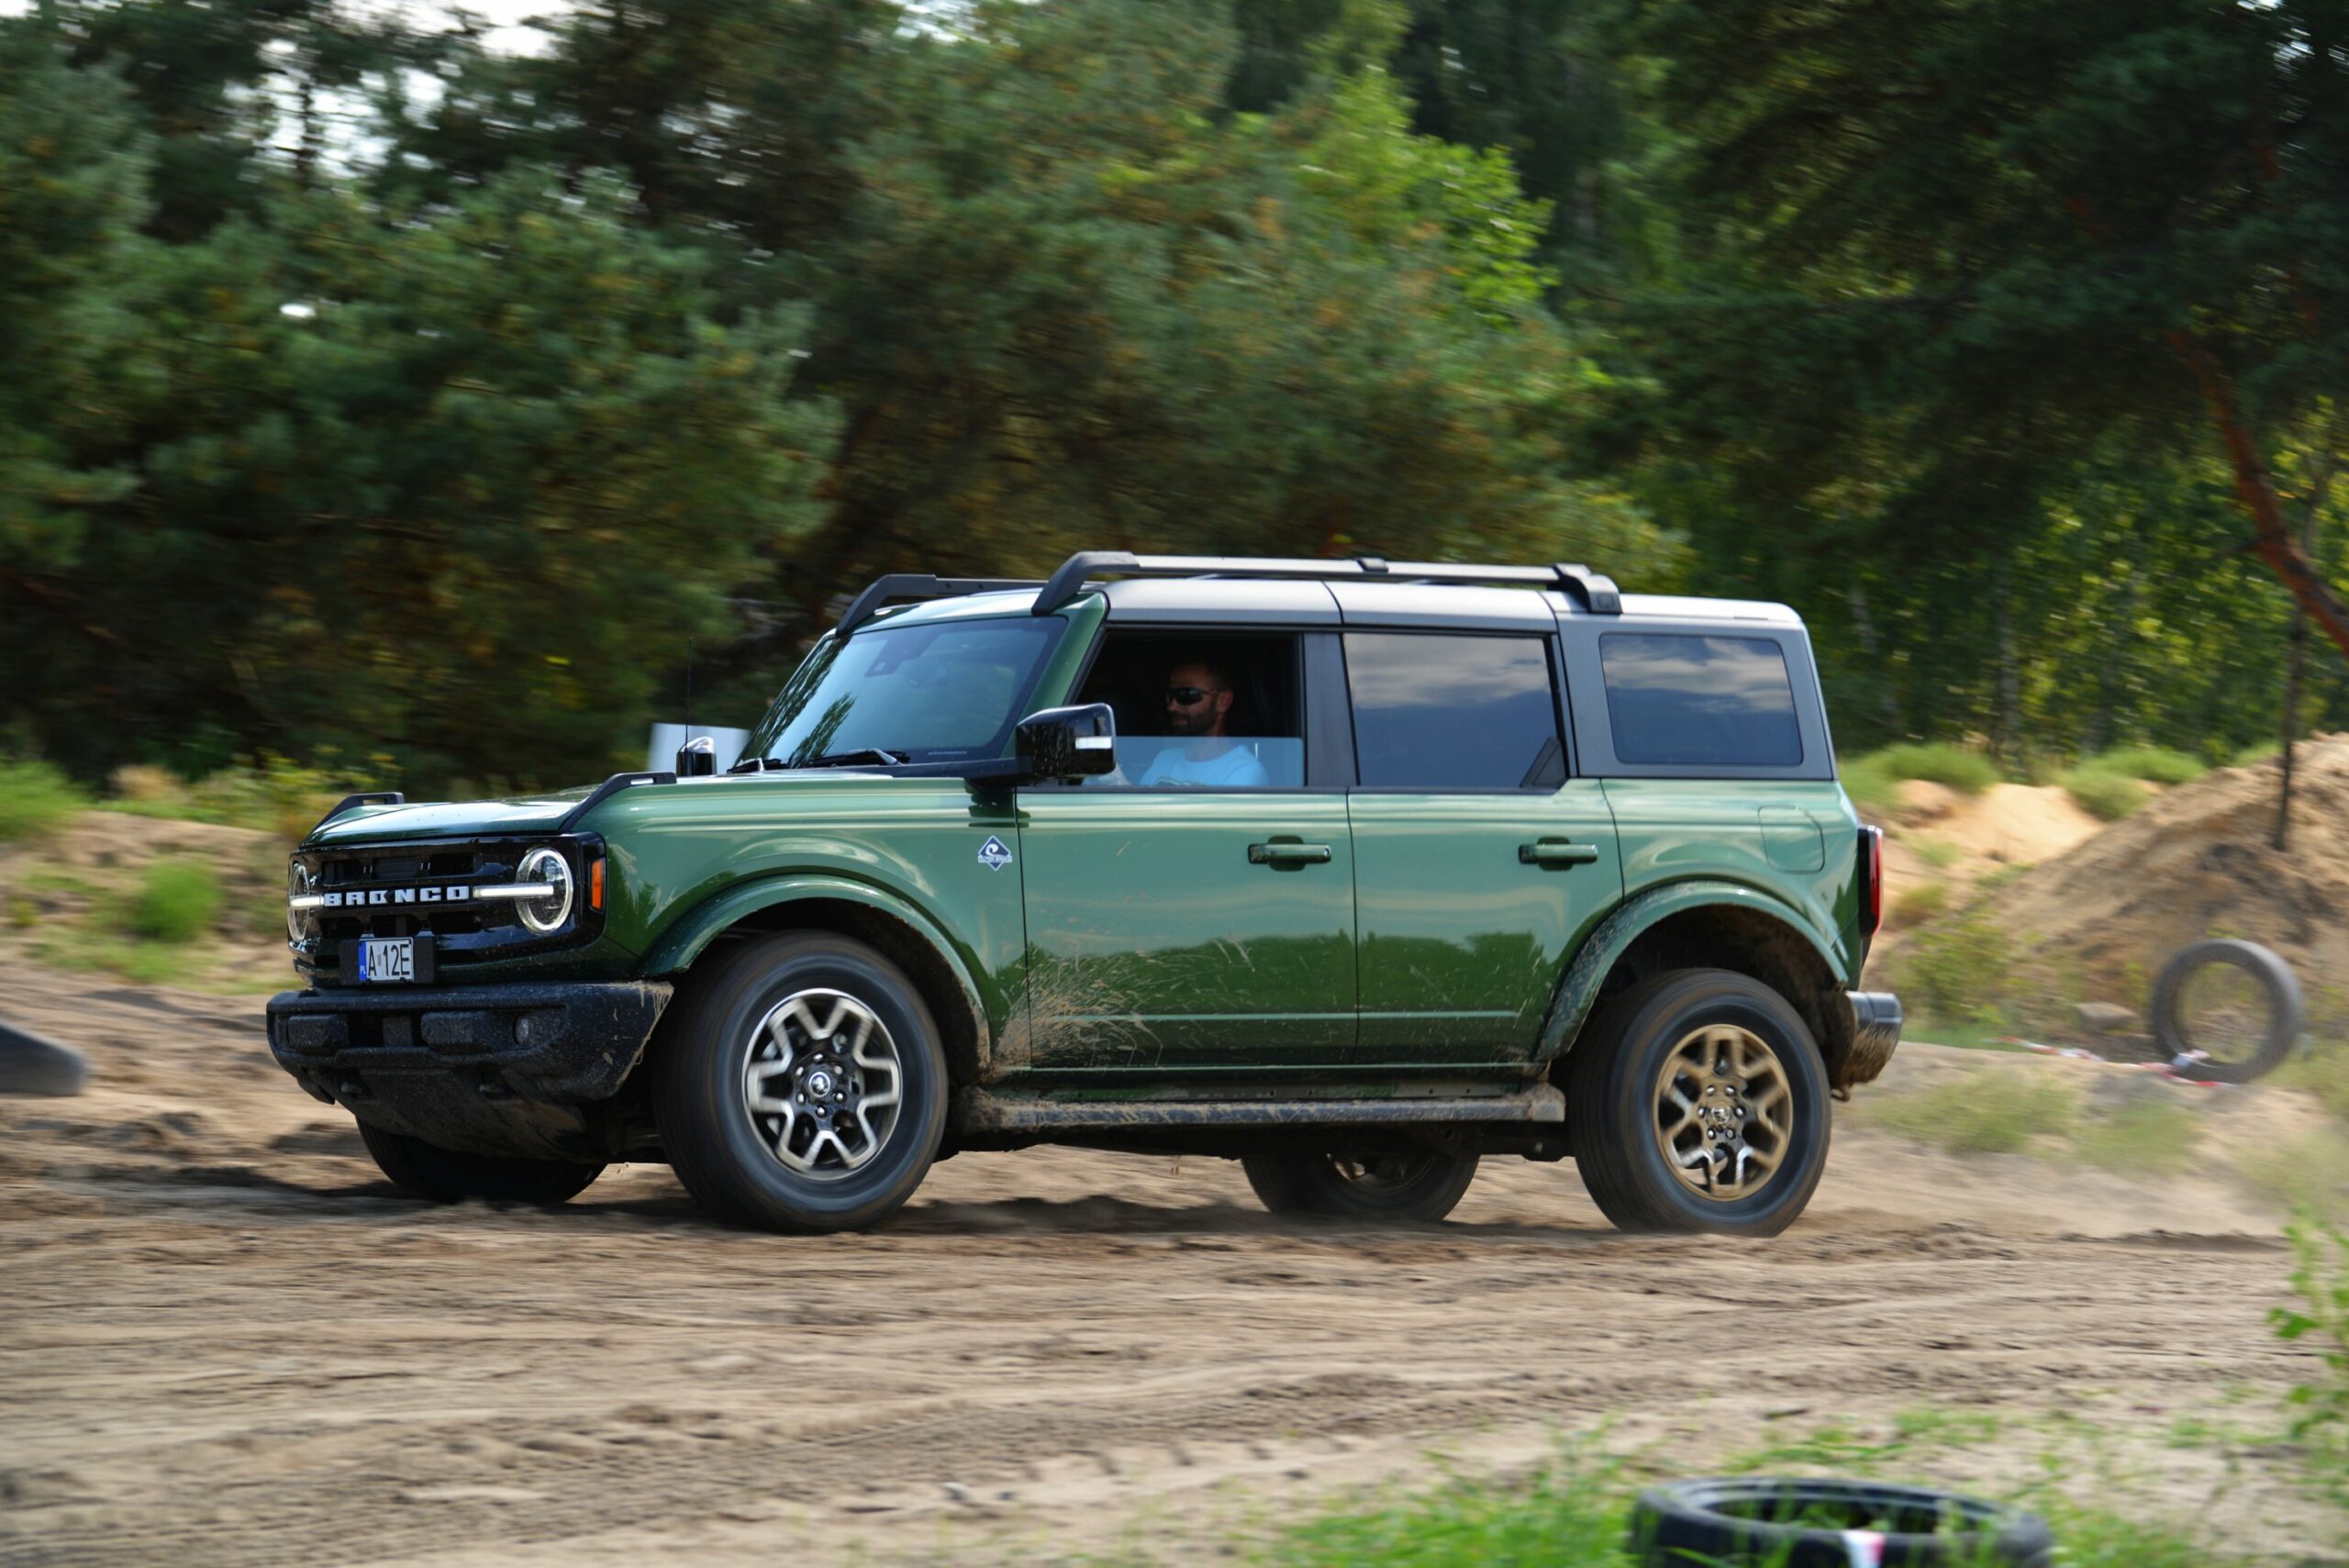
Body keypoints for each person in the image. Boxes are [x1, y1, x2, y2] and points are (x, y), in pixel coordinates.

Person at [1136, 659, 1270, 788]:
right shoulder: (1165, 758)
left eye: (1187, 695)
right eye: (1170, 696)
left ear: (1223, 701)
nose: (1172, 706)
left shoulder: (1244, 771)